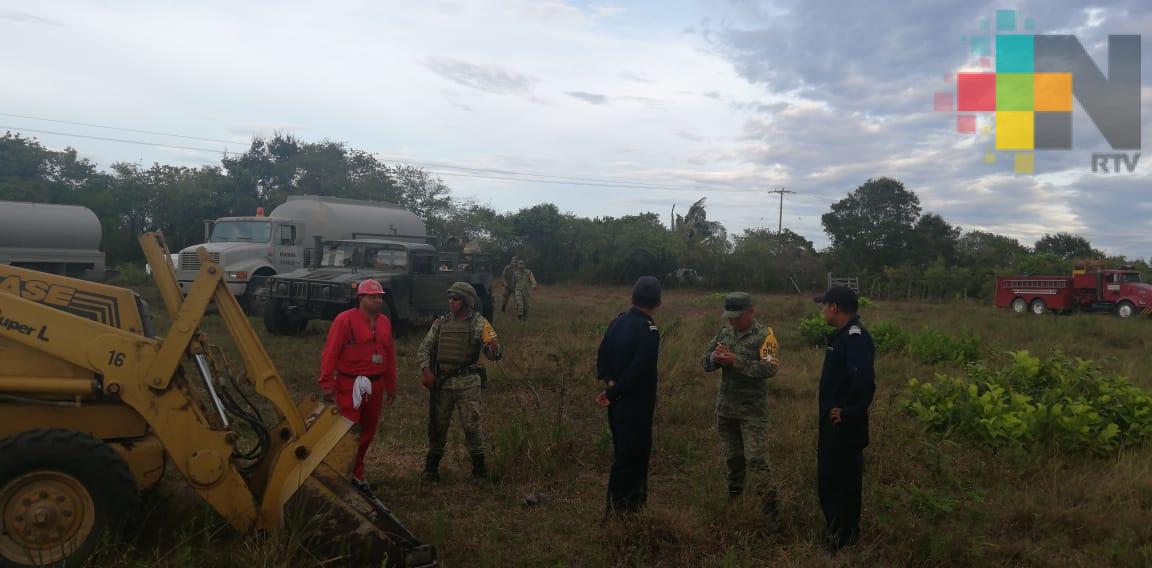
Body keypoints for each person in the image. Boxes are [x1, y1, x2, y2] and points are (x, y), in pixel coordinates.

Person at [700, 292, 781, 513]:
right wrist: (714, 359)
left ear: (751, 312)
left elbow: (770, 368)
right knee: (733, 459)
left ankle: (770, 509)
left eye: (737, 316)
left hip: (752, 412)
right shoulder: (724, 333)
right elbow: (705, 362)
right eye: (730, 317)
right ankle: (734, 501)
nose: (733, 321)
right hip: (726, 410)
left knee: (755, 459)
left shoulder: (765, 335)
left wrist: (737, 361)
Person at [417, 282, 503, 482]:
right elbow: (424, 348)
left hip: (467, 382)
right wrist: (426, 371)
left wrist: (492, 347)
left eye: (455, 299)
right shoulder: (441, 323)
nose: (451, 302)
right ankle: (431, 469)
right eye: (450, 298)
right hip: (443, 382)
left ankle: (480, 470)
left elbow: (494, 353)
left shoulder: (479, 323)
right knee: (438, 427)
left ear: (466, 302)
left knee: (472, 427)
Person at [318, 279, 397, 490]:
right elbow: (331, 352)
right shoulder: (344, 320)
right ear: (360, 298)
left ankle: (357, 473)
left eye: (380, 296)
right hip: (349, 384)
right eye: (373, 297)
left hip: (376, 384)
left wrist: (391, 384)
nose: (378, 300)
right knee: (348, 430)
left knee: (368, 431)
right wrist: (327, 382)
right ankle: (338, 471)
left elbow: (389, 354)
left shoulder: (385, 322)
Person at [814, 286, 876, 552]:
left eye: (824, 305)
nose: (822, 310)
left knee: (844, 482)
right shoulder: (841, 337)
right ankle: (835, 529)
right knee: (829, 478)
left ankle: (845, 538)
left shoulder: (855, 338)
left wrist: (848, 412)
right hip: (832, 424)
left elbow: (864, 383)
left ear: (834, 308)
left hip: (845, 427)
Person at [595, 277, 662, 514]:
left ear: (632, 297)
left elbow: (602, 352)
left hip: (617, 401)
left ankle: (618, 507)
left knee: (622, 450)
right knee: (634, 456)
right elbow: (638, 370)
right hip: (636, 402)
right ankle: (626, 509)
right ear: (658, 302)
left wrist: (609, 381)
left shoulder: (618, 321)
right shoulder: (650, 331)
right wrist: (613, 391)